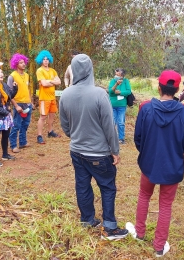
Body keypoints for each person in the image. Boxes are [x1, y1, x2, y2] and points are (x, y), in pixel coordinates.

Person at [59, 54, 128, 241]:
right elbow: (109, 126)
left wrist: (75, 137)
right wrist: (115, 150)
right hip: (99, 153)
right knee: (107, 187)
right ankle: (110, 227)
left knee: (82, 185)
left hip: (76, 151)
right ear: (90, 70)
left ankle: (87, 219)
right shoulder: (99, 94)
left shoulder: (65, 94)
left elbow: (65, 126)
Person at [125, 70, 184, 258]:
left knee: (144, 195)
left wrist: (147, 152)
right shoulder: (183, 112)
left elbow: (138, 138)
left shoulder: (146, 108)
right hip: (172, 165)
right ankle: (159, 246)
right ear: (177, 89)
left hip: (149, 163)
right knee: (165, 205)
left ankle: (140, 232)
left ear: (159, 87)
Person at [35, 50, 61, 144]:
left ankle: (50, 132)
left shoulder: (53, 70)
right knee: (43, 117)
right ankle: (39, 135)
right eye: (44, 59)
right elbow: (44, 84)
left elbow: (59, 82)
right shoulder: (40, 70)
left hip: (52, 97)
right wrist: (52, 81)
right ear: (41, 60)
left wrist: (49, 81)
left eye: (47, 59)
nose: (45, 61)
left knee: (52, 115)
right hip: (44, 98)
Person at [8, 53, 32, 153]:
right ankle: (13, 145)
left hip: (27, 103)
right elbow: (9, 93)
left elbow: (28, 89)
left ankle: (23, 142)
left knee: (25, 124)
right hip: (18, 103)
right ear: (16, 64)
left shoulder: (27, 75)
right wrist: (16, 105)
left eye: (24, 62)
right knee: (16, 125)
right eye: (20, 62)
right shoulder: (12, 76)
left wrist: (31, 102)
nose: (23, 64)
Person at [108, 68, 132, 144]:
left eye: (117, 72)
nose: (116, 74)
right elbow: (110, 92)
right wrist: (116, 85)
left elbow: (128, 91)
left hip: (122, 105)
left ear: (122, 74)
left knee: (121, 122)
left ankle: (121, 138)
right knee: (113, 122)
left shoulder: (126, 81)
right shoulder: (113, 81)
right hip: (113, 104)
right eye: (116, 72)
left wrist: (120, 92)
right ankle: (111, 138)